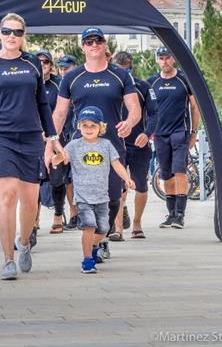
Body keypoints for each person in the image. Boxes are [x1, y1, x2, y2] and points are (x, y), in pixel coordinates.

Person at [0, 13, 63, 281]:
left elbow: (43, 104)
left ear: (24, 36)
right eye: (7, 32)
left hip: (31, 137)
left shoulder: (31, 63)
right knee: (7, 195)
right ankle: (8, 259)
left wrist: (52, 139)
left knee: (30, 200)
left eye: (17, 32)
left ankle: (24, 242)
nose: (12, 37)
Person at [51, 27, 140, 258]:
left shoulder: (120, 75)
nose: (93, 45)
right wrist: (50, 142)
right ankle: (93, 245)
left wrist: (129, 122)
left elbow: (134, 108)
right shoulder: (71, 77)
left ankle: (102, 237)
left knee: (112, 200)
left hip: (111, 146)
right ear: (82, 47)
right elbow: (59, 114)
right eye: (88, 41)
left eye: (98, 40)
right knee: (86, 200)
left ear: (104, 44)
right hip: (81, 149)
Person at [61, 106, 136, 273]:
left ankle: (94, 246)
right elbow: (62, 156)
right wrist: (55, 157)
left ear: (101, 127)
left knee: (103, 230)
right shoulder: (74, 145)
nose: (88, 129)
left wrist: (127, 179)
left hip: (102, 197)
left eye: (93, 125)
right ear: (79, 126)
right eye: (85, 125)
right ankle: (87, 260)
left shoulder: (106, 145)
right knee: (89, 227)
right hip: (83, 197)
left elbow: (117, 164)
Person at [146, 47, 201, 230]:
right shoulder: (152, 83)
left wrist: (193, 132)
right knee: (165, 174)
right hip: (160, 135)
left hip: (180, 132)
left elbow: (195, 107)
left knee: (180, 172)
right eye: (161, 58)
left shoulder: (184, 80)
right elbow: (145, 108)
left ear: (173, 59)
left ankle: (180, 215)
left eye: (167, 58)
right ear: (157, 61)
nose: (164, 62)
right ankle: (170, 214)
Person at [110, 51, 157, 239]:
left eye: (126, 70)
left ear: (131, 68)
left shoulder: (143, 87)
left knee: (140, 185)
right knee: (118, 186)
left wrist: (147, 134)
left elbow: (154, 113)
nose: (122, 74)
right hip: (116, 143)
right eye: (118, 70)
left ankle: (137, 223)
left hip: (139, 143)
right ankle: (118, 228)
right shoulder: (108, 85)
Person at [35, 49, 61, 237]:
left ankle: (58, 216)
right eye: (39, 62)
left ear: (51, 65)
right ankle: (33, 220)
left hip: (56, 137)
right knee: (33, 180)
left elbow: (63, 111)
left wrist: (53, 135)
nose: (42, 64)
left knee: (57, 179)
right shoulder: (28, 83)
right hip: (33, 137)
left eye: (46, 62)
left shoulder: (58, 84)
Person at [54, 54, 79, 229]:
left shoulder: (79, 83)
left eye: (67, 67)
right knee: (66, 180)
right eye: (61, 68)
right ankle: (73, 214)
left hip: (79, 134)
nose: (63, 71)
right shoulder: (57, 86)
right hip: (61, 138)